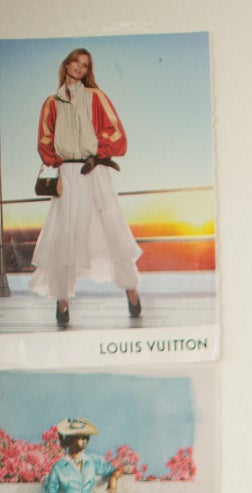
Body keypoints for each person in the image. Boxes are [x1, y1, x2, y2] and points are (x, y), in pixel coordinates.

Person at [33, 48, 143, 330]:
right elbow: (44, 140)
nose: (80, 68)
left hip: (95, 169)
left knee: (111, 225)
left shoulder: (96, 96)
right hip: (67, 172)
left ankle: (131, 291)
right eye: (76, 62)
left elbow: (117, 133)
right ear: (66, 64)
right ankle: (62, 301)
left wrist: (98, 153)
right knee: (65, 232)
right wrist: (57, 160)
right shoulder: (51, 102)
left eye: (85, 65)